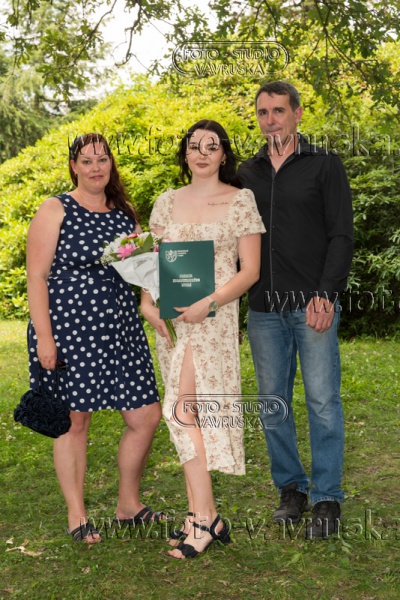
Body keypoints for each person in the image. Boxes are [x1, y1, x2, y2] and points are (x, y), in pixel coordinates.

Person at [26, 133, 164, 543]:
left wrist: (160, 255)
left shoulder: (124, 213)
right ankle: (77, 515)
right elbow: (37, 277)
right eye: (86, 161)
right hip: (69, 331)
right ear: (74, 166)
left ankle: (128, 505)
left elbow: (144, 268)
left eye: (102, 159)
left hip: (122, 331)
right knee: (74, 422)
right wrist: (45, 338)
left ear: (111, 164)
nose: (95, 167)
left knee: (145, 416)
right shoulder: (55, 208)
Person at [141, 119, 265, 558]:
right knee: (186, 413)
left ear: (224, 154)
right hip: (173, 322)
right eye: (194, 146)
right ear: (185, 153)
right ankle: (199, 514)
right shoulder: (166, 201)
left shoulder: (240, 200)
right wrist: (147, 303)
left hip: (212, 319)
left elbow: (250, 270)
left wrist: (209, 303)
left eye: (212, 147)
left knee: (180, 413)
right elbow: (152, 263)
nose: (202, 154)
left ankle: (206, 518)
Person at [237, 81, 354, 539]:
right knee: (273, 405)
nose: (271, 120)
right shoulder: (246, 172)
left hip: (312, 305)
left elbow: (341, 234)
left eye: (279, 111)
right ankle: (291, 489)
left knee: (322, 402)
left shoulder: (324, 164)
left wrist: (326, 294)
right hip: (264, 308)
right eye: (263, 112)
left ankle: (327, 497)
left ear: (298, 113)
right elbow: (227, 236)